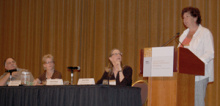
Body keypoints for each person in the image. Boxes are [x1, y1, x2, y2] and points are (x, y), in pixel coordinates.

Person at [178, 7, 214, 106]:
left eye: (187, 17)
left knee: (197, 103)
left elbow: (210, 53)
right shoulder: (183, 35)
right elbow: (179, 53)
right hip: (184, 76)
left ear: (195, 17)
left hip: (199, 75)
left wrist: (196, 63)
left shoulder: (204, 33)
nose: (184, 20)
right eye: (183, 18)